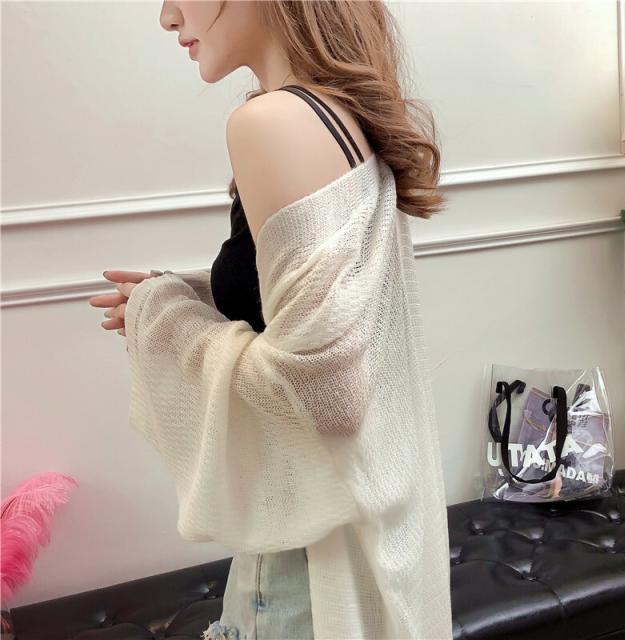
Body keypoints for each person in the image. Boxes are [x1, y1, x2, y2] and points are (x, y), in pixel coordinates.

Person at [89, 2, 452, 639]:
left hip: (301, 570)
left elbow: (323, 394)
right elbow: (316, 319)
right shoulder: (336, 113)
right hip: (356, 532)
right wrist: (188, 295)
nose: (168, 17)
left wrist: (163, 318)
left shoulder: (272, 121)